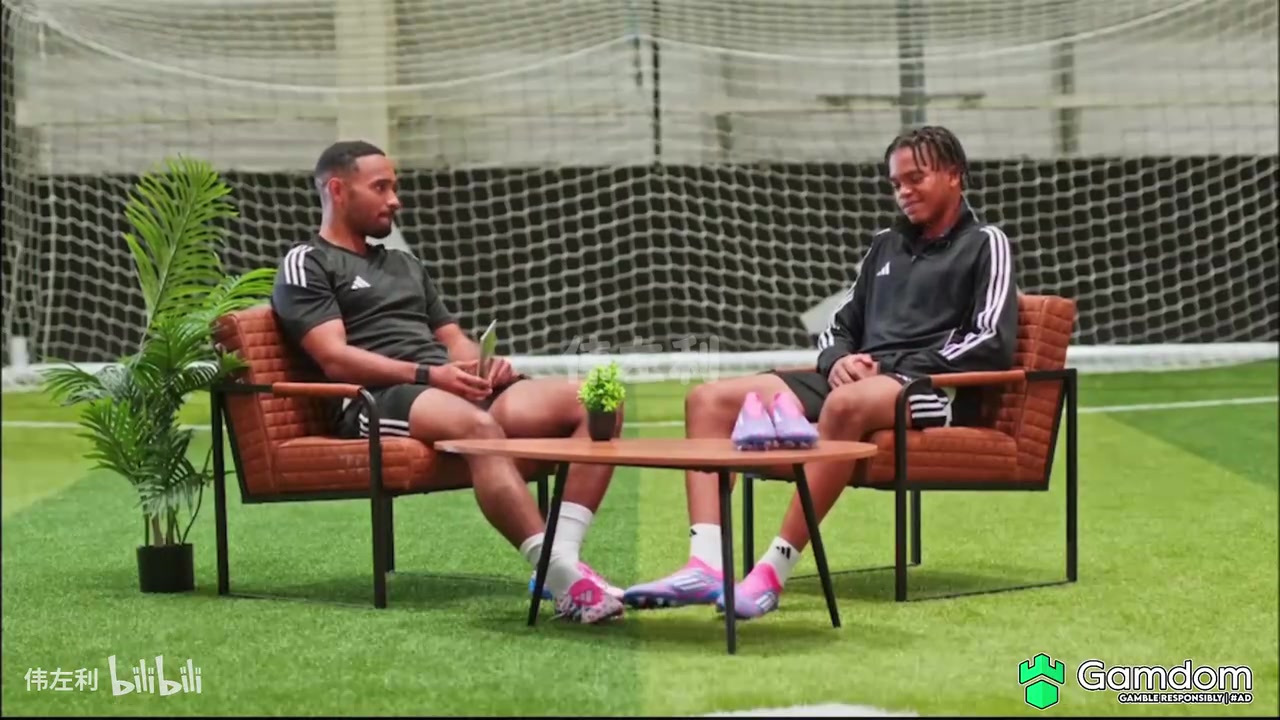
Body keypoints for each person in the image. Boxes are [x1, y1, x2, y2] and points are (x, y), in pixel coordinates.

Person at [622, 125, 1018, 619]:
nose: (903, 192)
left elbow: (991, 341)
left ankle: (771, 573)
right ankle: (705, 565)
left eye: (916, 178)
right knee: (708, 400)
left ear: (955, 175)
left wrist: (884, 366)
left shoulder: (986, 243)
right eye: (896, 183)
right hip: (858, 376)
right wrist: (839, 361)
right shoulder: (885, 245)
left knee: (846, 403)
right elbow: (838, 325)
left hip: (932, 387)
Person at [270, 140, 626, 624]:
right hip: (375, 398)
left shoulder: (404, 264)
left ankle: (560, 565)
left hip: (444, 386)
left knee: (597, 400)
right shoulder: (308, 261)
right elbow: (334, 358)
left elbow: (453, 340)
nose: (395, 200)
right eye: (381, 187)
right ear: (337, 189)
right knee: (477, 428)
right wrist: (426, 374)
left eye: (394, 187)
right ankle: (564, 579)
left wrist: (487, 366)